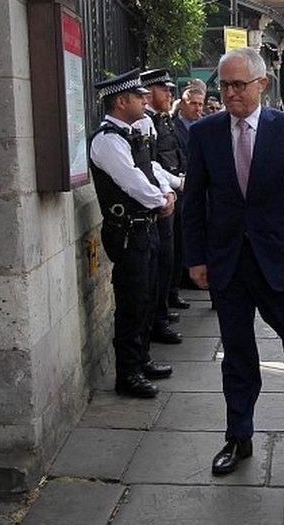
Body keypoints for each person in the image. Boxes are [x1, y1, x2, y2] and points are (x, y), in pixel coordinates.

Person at [183, 47, 284, 476]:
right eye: (224, 85)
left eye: (238, 85)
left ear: (262, 84)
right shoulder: (205, 133)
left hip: (280, 261)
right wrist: (195, 258)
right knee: (236, 354)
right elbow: (193, 202)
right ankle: (239, 437)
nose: (229, 93)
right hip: (227, 263)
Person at [88, 69, 176, 398]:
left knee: (149, 295)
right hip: (127, 233)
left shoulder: (132, 133)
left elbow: (149, 169)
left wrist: (167, 192)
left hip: (144, 228)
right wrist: (161, 201)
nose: (145, 100)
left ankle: (141, 360)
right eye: (139, 96)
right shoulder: (108, 140)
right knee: (132, 302)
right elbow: (132, 181)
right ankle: (127, 374)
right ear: (122, 101)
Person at [138, 69, 187, 346]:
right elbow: (149, 166)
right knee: (159, 262)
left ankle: (163, 310)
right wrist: (165, 193)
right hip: (157, 200)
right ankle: (158, 319)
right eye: (163, 89)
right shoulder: (145, 123)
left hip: (168, 193)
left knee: (169, 256)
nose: (169, 93)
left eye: (170, 89)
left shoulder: (161, 121)